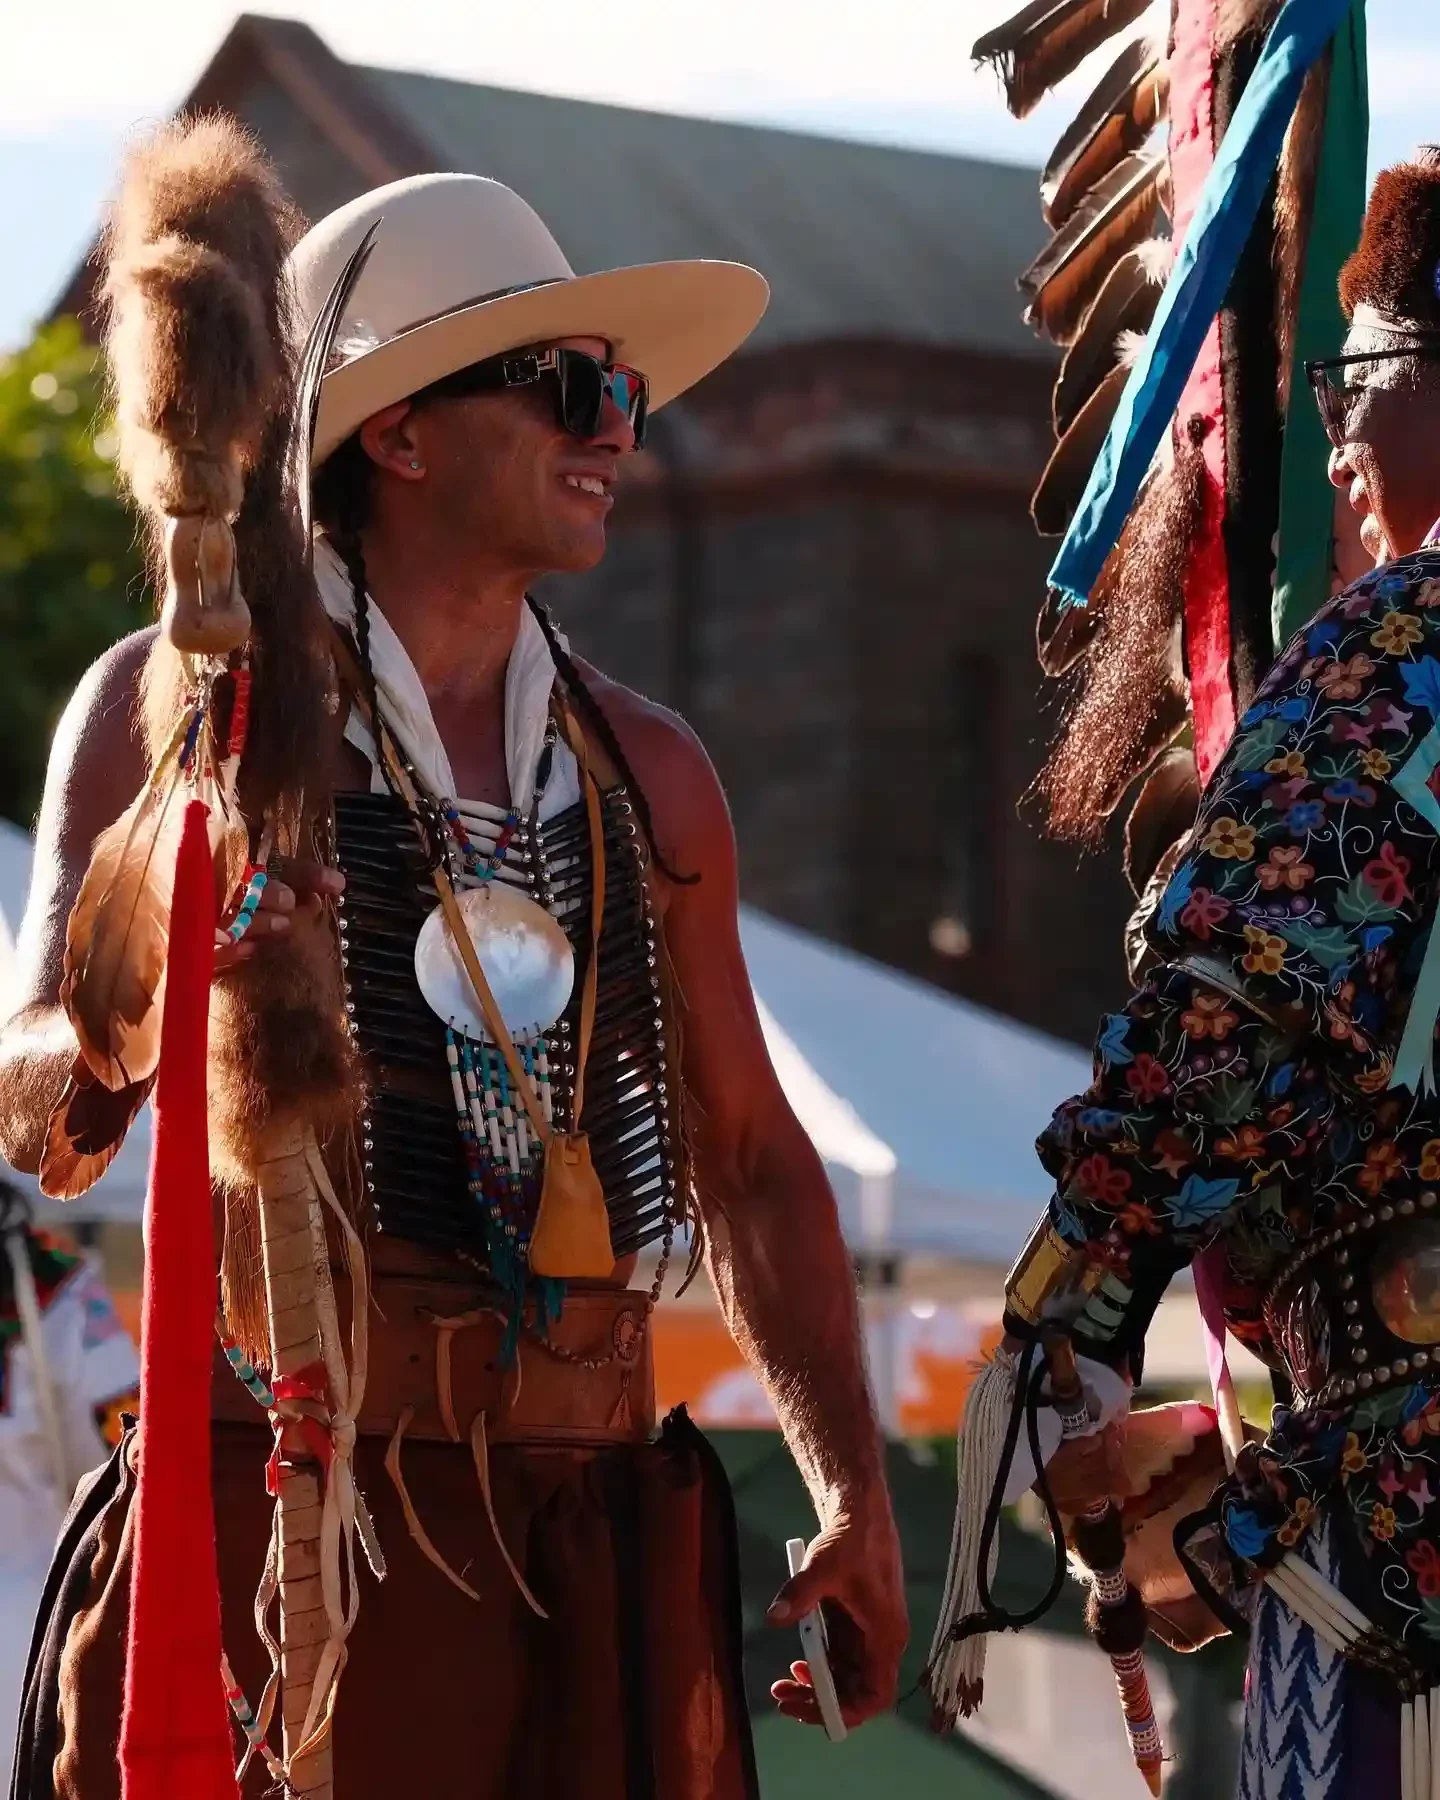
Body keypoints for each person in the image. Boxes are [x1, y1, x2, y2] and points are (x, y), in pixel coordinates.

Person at [0, 125, 905, 1798]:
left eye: (622, 395)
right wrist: (156, 945)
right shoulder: (182, 707)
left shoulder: (652, 769)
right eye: (563, 386)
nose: (612, 433)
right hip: (294, 1525)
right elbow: (38, 1117)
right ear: (400, 431)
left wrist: (852, 1488)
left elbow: (756, 1158)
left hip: (585, 1538)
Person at [928, 148, 1440, 1800]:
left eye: (1364, 376)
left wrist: (1069, 1317)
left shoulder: (1404, 644)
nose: (1344, 436)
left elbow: (1236, 1008)